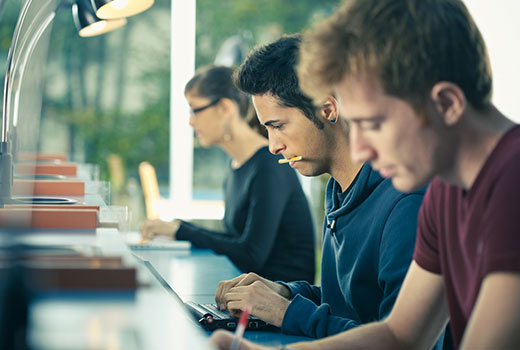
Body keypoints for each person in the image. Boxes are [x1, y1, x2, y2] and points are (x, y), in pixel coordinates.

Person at [210, 0, 520, 349]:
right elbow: (399, 336)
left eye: (372, 124)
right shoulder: (445, 192)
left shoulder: (511, 183)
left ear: (446, 104)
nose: (360, 150)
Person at [213, 35, 427, 340]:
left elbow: (396, 340)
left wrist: (285, 312)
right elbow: (346, 302)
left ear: (327, 109)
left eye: (278, 126)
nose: (273, 146)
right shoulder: (339, 189)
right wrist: (284, 292)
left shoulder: (407, 203)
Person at [140, 65, 315, 283]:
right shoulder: (237, 165)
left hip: (279, 302)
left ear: (224, 107)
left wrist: (181, 231)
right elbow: (235, 240)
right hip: (248, 291)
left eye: (195, 109)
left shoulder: (270, 165)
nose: (190, 121)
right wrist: (177, 227)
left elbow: (251, 255)